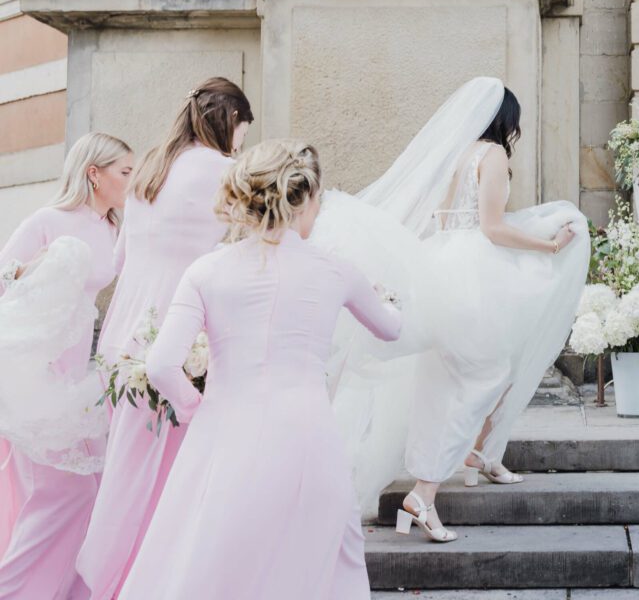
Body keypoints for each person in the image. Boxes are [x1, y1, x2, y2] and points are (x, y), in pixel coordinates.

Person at [118, 140, 401, 600]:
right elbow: (391, 330)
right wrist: (388, 298)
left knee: (215, 565)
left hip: (226, 434)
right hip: (310, 438)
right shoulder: (336, 271)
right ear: (305, 197)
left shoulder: (206, 270)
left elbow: (161, 365)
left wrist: (196, 407)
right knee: (329, 563)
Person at [310, 77, 590, 533]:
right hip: (477, 275)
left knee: (457, 376)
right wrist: (550, 245)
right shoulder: (494, 155)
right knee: (483, 374)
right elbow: (492, 228)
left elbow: (447, 218)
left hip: (444, 264)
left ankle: (476, 455)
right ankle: (426, 492)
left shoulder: (458, 154)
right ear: (507, 121)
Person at [77, 77, 253, 600]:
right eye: (244, 128)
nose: (244, 140)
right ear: (230, 123)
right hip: (177, 341)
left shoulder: (151, 165)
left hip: (123, 340)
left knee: (129, 475)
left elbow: (119, 261)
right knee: (174, 480)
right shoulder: (225, 171)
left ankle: (115, 580)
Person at [0, 132, 134, 599]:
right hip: (35, 380)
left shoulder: (114, 229)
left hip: (81, 380)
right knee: (59, 495)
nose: (131, 181)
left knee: (91, 495)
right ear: (94, 174)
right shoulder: (47, 220)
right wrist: (31, 270)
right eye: (124, 172)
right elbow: (2, 277)